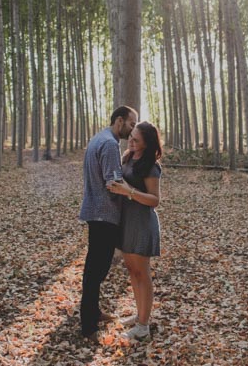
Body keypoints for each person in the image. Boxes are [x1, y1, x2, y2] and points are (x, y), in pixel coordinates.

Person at [78, 105, 138, 339]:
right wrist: (134, 192)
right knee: (96, 269)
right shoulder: (111, 144)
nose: (132, 131)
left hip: (95, 211)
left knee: (95, 266)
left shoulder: (98, 138)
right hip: (104, 214)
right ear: (120, 121)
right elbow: (113, 184)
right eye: (131, 125)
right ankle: (88, 326)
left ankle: (93, 313)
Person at [107, 121, 162, 341]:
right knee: (132, 270)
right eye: (131, 136)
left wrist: (128, 191)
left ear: (147, 143)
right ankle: (139, 315)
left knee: (142, 272)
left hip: (142, 222)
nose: (130, 141)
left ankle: (143, 325)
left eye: (136, 139)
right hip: (125, 221)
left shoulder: (151, 166)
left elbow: (154, 200)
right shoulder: (128, 157)